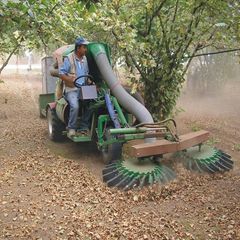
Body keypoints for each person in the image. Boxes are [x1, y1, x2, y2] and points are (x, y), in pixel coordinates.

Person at [59, 37, 91, 137]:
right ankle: (71, 128)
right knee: (75, 106)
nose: (86, 49)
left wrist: (89, 81)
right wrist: (70, 79)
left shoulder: (85, 59)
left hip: (83, 88)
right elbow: (61, 74)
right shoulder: (69, 58)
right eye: (84, 47)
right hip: (71, 89)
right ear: (78, 48)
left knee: (93, 103)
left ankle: (84, 126)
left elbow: (86, 73)